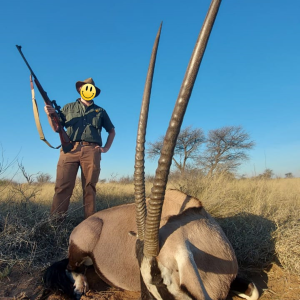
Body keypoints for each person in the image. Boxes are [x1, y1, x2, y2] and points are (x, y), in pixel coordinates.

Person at [44, 77, 115, 219]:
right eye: (84, 87)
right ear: (80, 90)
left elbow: (111, 131)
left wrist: (105, 148)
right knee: (62, 187)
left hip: (92, 150)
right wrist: (49, 116)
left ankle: (89, 223)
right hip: (69, 149)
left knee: (89, 188)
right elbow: (57, 128)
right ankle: (56, 223)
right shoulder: (68, 107)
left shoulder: (100, 111)